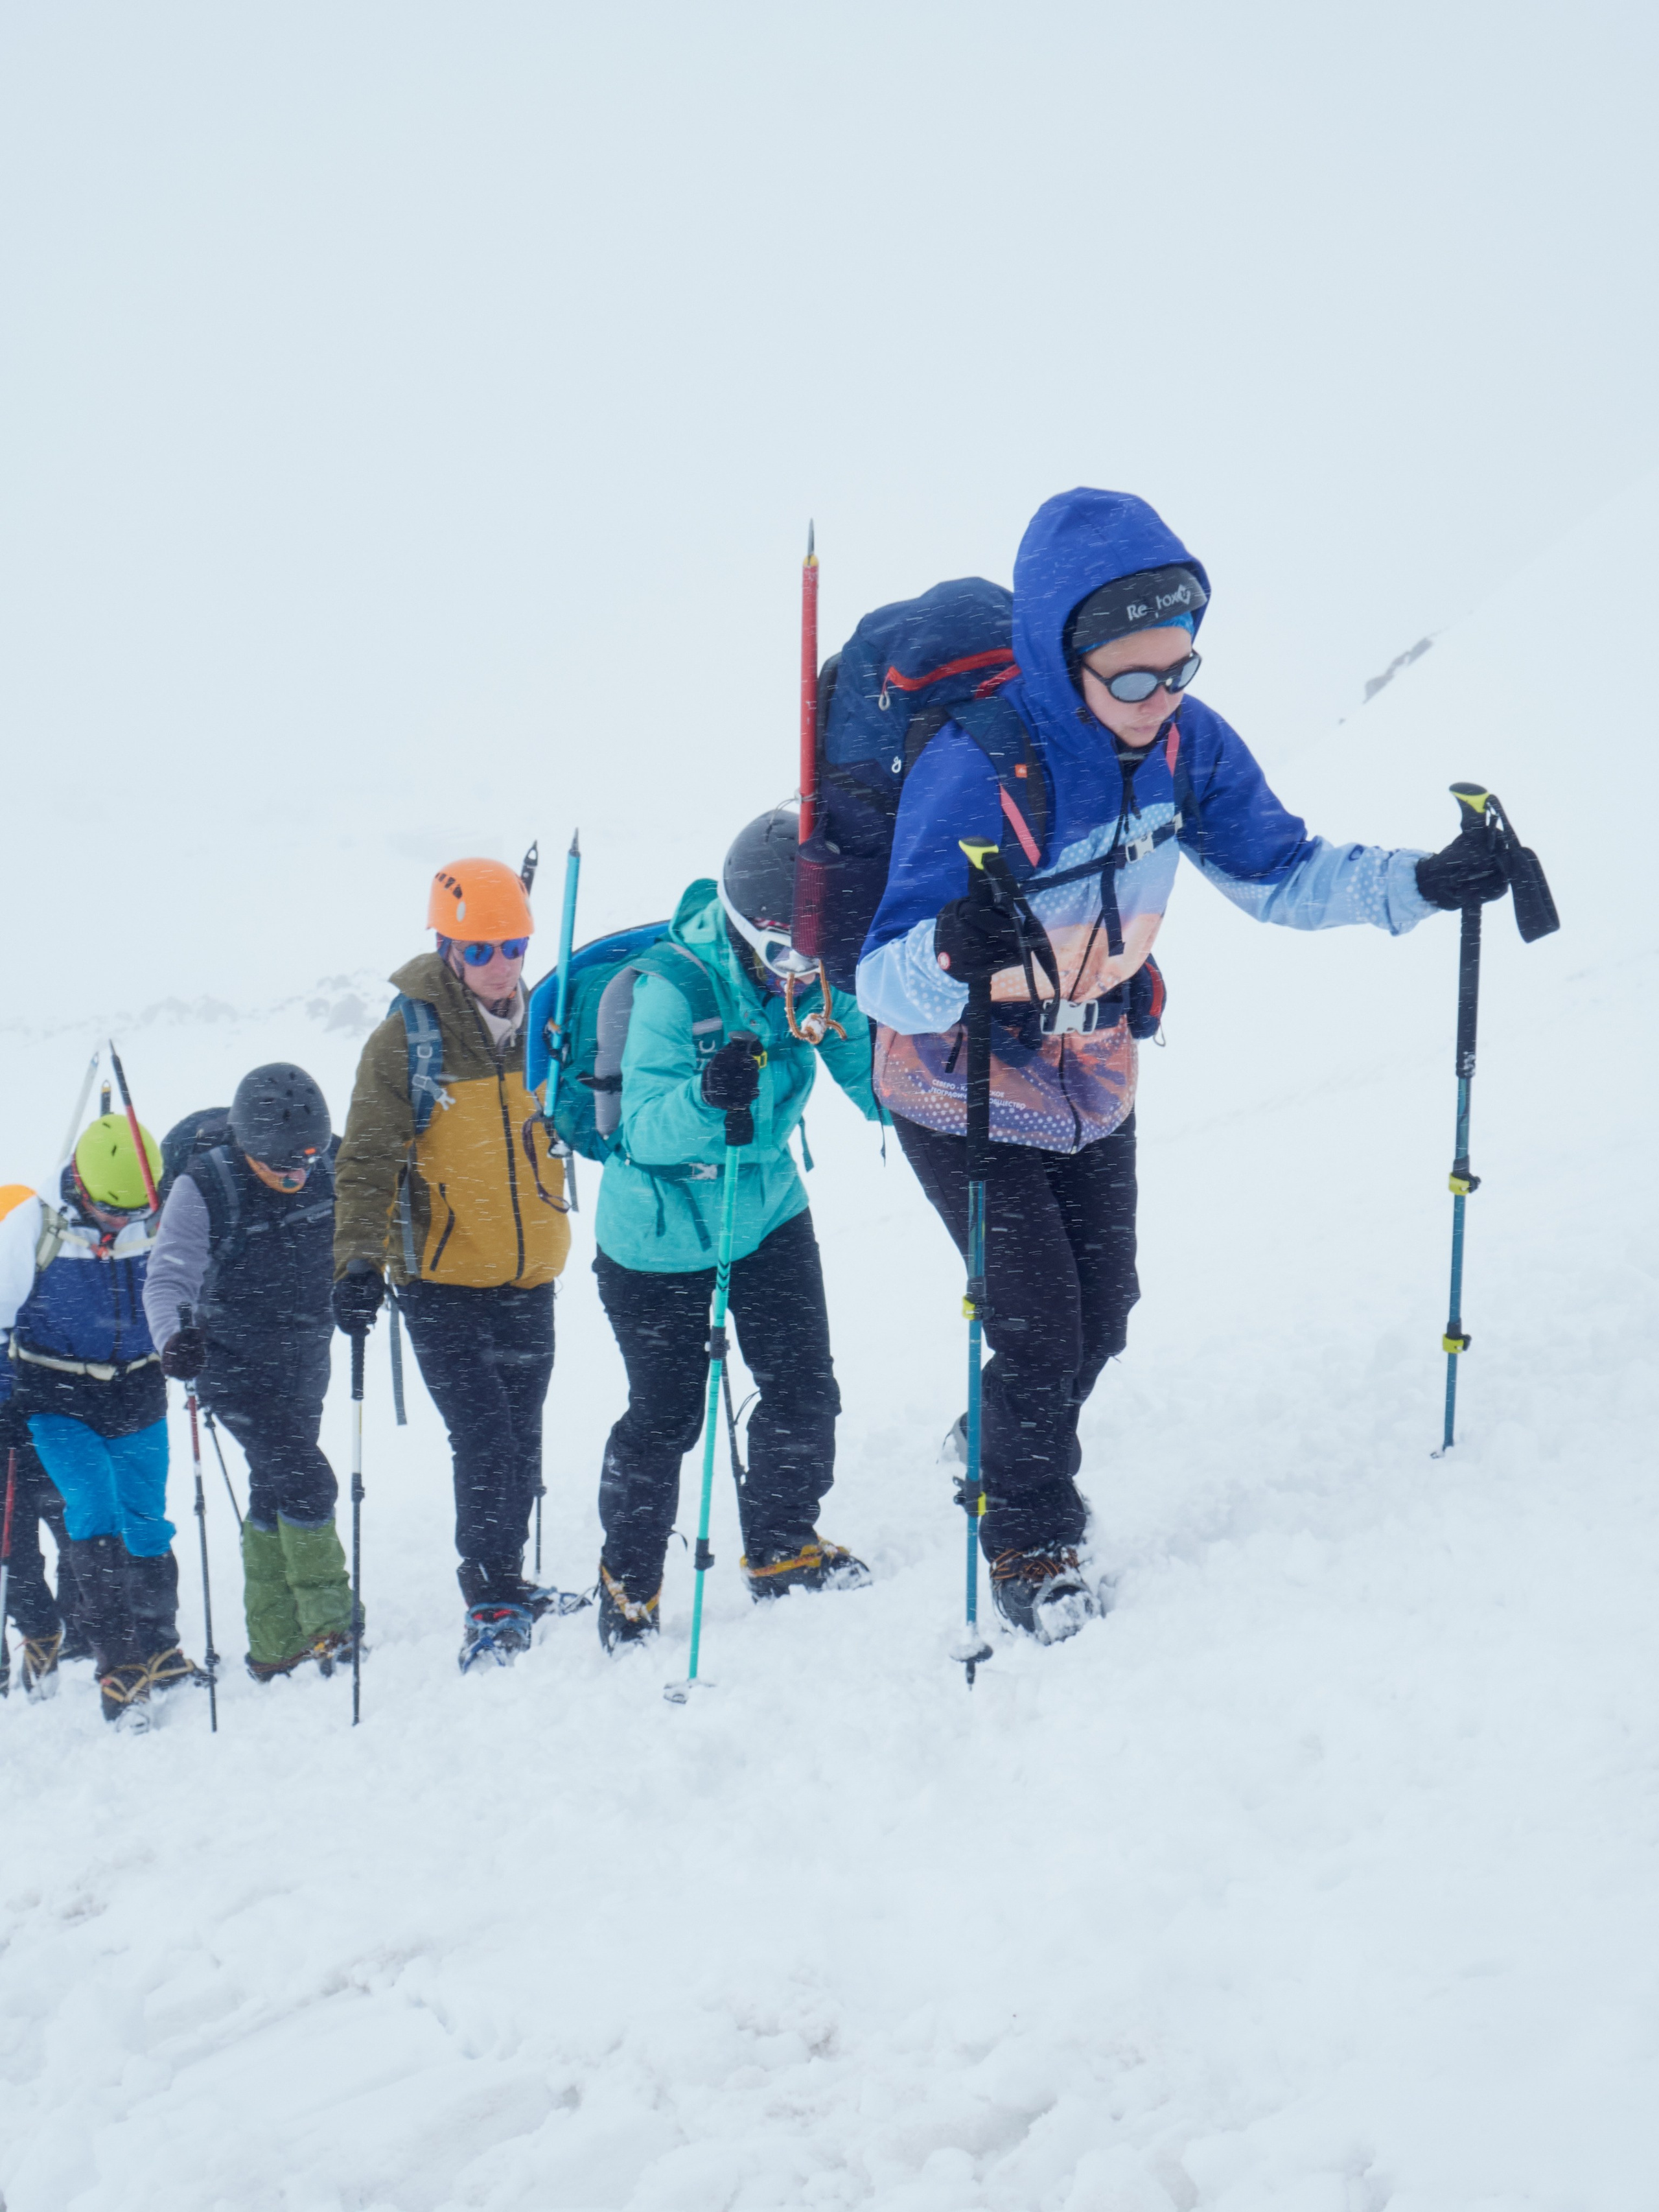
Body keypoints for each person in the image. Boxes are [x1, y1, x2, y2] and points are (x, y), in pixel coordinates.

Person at [856, 487, 1513, 1644]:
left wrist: (1425, 880)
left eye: (1180, 670)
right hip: (958, 1073)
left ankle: (999, 1436)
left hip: (1094, 1062)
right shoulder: (980, 767)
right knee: (1043, 1322)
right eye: (1134, 678)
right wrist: (952, 946)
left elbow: (1282, 875)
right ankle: (1031, 1538)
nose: (1162, 702)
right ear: (1067, 664)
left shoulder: (1186, 745)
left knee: (1104, 1311)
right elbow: (881, 978)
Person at [590, 809, 884, 1652]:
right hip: (656, 1239)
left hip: (764, 1209)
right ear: (752, 931)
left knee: (802, 1385)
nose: (807, 972)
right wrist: (706, 1096)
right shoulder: (671, 990)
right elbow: (641, 1131)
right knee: (667, 1418)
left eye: (818, 950)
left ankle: (783, 1546)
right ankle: (629, 1584)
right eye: (791, 953)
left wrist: (943, 1101)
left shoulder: (810, 979)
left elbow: (873, 1078)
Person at [332, 856, 574, 1667]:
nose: (501, 965)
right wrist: (357, 1264)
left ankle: (513, 1577)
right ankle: (490, 1597)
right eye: (480, 951)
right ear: (446, 949)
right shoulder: (407, 1037)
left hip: (530, 1270)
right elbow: (365, 1157)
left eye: (513, 944)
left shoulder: (545, 1018)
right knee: (485, 1438)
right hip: (441, 1282)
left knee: (524, 1437)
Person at [143, 1064, 356, 1682]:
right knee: (309, 1481)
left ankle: (273, 1642)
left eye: (309, 1161)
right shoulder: (206, 1185)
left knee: (274, 1485)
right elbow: (168, 1279)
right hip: (231, 1365)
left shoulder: (325, 1163)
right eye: (285, 1165)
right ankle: (331, 1622)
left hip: (307, 1351)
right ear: (249, 1148)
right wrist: (174, 1339)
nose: (300, 1175)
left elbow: (366, 1224)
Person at [0, 1117, 205, 1723]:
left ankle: (160, 1645)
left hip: (137, 1390)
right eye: (112, 1210)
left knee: (146, 1519)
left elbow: (186, 1288)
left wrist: (192, 1337)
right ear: (82, 1187)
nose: (123, 1223)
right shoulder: (32, 1227)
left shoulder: (158, 1220)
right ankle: (120, 1669)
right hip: (55, 1396)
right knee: (93, 1511)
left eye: (135, 1208)